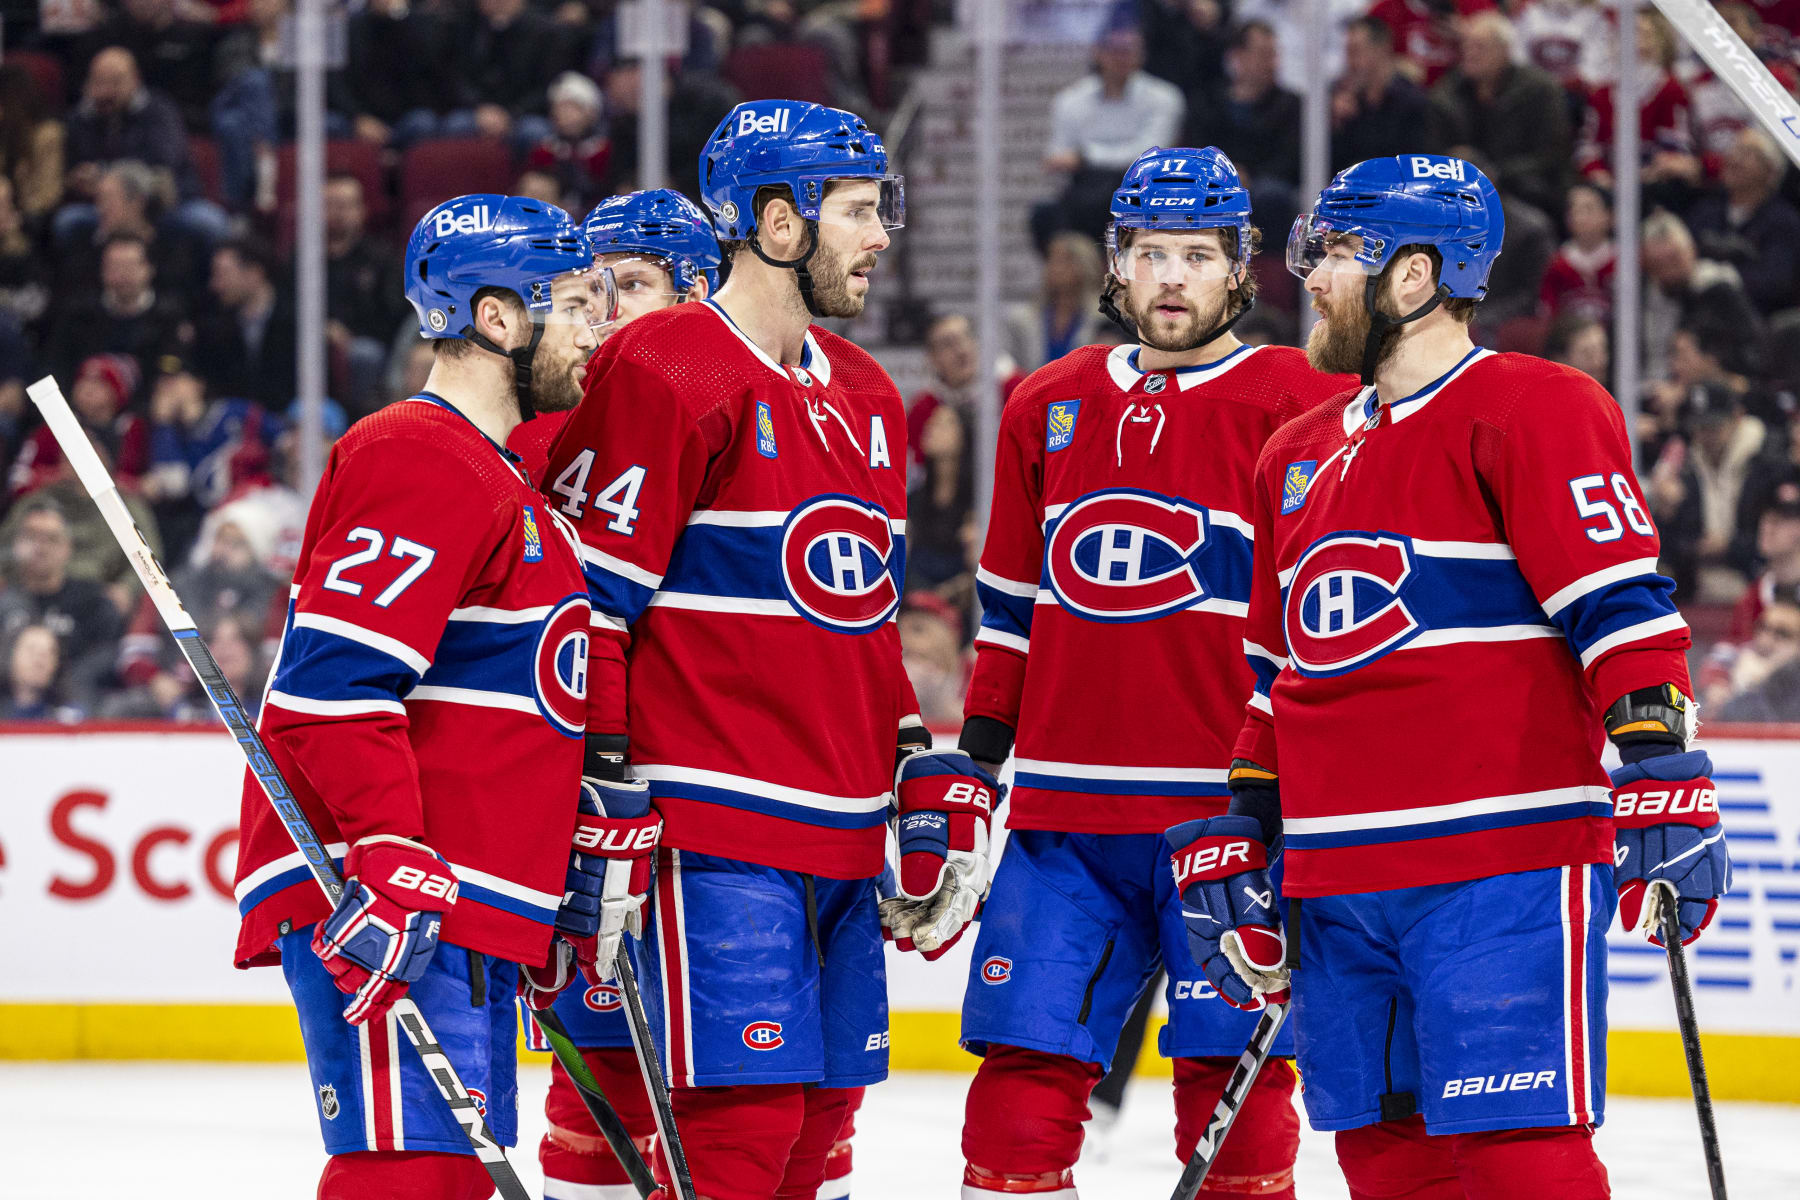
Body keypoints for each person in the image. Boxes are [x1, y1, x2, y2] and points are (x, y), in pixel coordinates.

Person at [1172, 154, 1729, 1199]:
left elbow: (1620, 607)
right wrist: (1249, 819)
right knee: (1386, 1162)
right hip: (1335, 878)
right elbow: (1275, 673)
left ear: (1415, 277)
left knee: (1521, 1160)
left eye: (1337, 253)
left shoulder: (1535, 406)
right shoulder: (1292, 456)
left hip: (1499, 866)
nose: (1313, 278)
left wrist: (1661, 758)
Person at [538, 99, 995, 1200]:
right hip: (713, 827)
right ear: (778, 223)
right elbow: (591, 606)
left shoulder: (873, 397)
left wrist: (910, 756)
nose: (881, 234)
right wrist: (598, 791)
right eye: (855, 210)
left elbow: (861, 617)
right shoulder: (664, 367)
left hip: (846, 833)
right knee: (738, 1132)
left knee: (822, 1137)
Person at [955, 146, 1350, 1200]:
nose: (1171, 275)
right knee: (1018, 1099)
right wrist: (974, 769)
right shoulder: (1046, 402)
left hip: (1224, 819)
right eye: (1149, 252)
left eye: (1197, 254)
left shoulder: (1304, 400)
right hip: (1060, 822)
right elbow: (1008, 613)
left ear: (1240, 271)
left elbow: (1326, 625)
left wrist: (1297, 796)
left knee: (1238, 1106)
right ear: (1115, 268)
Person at [230, 194, 614, 1200]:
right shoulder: (419, 454)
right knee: (408, 1172)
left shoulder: (502, 478)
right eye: (575, 304)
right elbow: (331, 682)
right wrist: (392, 853)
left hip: (462, 901)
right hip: (394, 890)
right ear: (497, 318)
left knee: (447, 1175)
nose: (596, 333)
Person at [503, 185, 719, 1200]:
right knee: (592, 1082)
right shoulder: (534, 443)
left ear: (699, 291)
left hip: (711, 803)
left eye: (628, 287)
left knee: (725, 1097)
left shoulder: (726, 419)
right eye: (586, 293)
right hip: (596, 805)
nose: (603, 313)